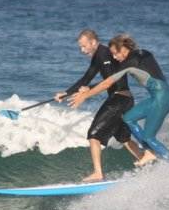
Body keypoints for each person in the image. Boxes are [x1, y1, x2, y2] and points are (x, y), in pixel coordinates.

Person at [69, 34, 169, 166]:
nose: (114, 57)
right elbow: (112, 79)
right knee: (128, 118)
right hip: (159, 97)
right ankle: (149, 152)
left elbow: (107, 83)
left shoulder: (128, 63)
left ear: (123, 49)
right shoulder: (143, 53)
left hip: (161, 99)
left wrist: (85, 95)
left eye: (115, 53)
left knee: (149, 137)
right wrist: (90, 88)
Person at [55, 29, 143, 181]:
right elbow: (87, 78)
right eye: (80, 47)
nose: (82, 50)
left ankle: (98, 173)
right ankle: (147, 161)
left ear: (93, 42)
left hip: (118, 99)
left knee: (93, 135)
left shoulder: (104, 54)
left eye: (84, 46)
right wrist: (67, 93)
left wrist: (86, 92)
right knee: (123, 138)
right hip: (126, 99)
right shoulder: (99, 56)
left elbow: (110, 81)